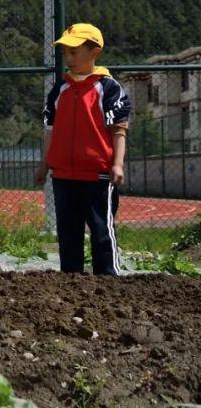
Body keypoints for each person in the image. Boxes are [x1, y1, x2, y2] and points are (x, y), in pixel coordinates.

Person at [35, 23, 131, 275]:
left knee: (101, 232)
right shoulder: (58, 90)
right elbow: (50, 131)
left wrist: (117, 164)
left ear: (94, 52)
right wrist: (44, 164)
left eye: (74, 52)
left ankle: (109, 279)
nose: (68, 58)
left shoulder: (109, 89)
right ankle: (71, 281)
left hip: (98, 176)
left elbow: (119, 129)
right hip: (63, 176)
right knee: (68, 233)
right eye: (65, 52)